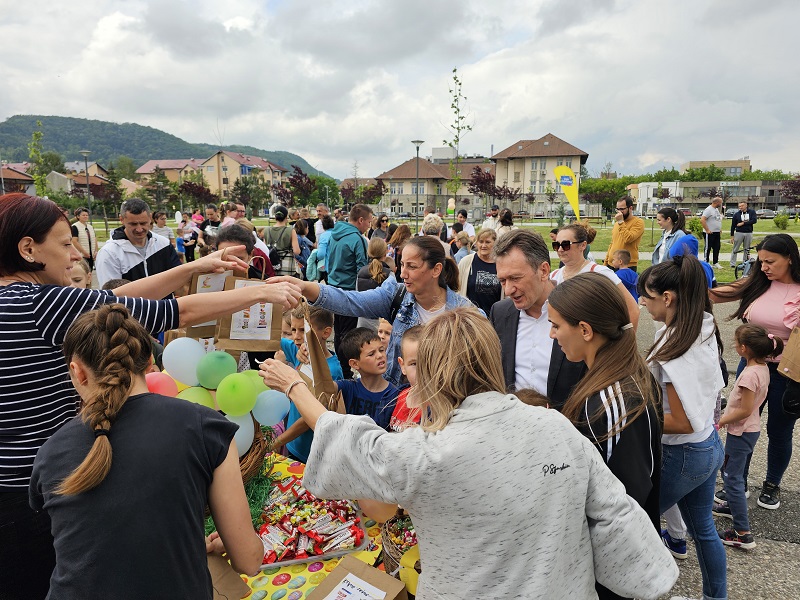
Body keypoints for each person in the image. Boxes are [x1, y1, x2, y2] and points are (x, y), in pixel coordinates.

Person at [258, 308, 679, 600]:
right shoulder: (556, 426)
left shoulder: (431, 452)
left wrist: (295, 386)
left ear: (437, 371)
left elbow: (348, 440)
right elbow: (616, 516)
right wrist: (650, 576)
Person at [0, 192, 301, 598]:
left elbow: (113, 305)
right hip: (42, 491)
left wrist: (194, 266)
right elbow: (175, 313)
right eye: (64, 243)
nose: (74, 256)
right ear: (28, 249)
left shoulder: (24, 303)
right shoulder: (41, 304)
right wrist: (260, 293)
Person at [29, 304, 264, 597]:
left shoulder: (50, 453)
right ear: (151, 361)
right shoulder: (205, 427)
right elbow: (249, 560)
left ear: (77, 372)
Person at [549, 274, 663, 600]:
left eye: (556, 325)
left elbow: (626, 491)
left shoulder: (610, 400)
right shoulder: (616, 372)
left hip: (611, 567)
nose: (551, 333)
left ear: (585, 330)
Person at [639, 255, 727, 600]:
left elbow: (679, 419)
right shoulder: (702, 325)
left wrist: (629, 423)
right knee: (704, 530)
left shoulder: (673, 349)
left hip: (683, 452)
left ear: (668, 297)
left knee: (636, 523)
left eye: (646, 295)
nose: (641, 302)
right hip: (708, 444)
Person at [275, 236, 474, 387]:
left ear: (436, 270)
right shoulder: (396, 296)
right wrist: (304, 287)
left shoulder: (467, 315)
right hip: (398, 406)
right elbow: (350, 301)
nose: (403, 274)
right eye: (402, 264)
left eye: (412, 267)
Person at [710, 233, 800, 510]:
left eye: (770, 262)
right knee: (740, 425)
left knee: (779, 430)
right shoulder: (758, 283)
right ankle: (738, 481)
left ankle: (772, 484)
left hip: (787, 374)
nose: (764, 268)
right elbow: (717, 294)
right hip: (751, 366)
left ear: (790, 258)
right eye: (760, 262)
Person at [490, 230, 587, 408]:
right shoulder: (499, 313)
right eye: (503, 281)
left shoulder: (578, 311)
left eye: (515, 278)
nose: (508, 290)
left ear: (543, 270)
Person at [712, 324, 781, 550]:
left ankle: (742, 532)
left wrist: (722, 420)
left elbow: (746, 409)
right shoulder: (762, 368)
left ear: (743, 349)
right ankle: (733, 506)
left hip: (741, 432)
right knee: (730, 471)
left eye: (735, 343)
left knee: (732, 479)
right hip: (749, 431)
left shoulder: (749, 376)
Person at [271, 306, 342, 463]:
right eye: (293, 330)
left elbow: (309, 418)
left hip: (311, 452)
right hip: (292, 443)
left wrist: (276, 442)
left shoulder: (331, 370)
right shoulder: (300, 352)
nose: (296, 337)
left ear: (326, 332)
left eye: (303, 330)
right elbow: (270, 336)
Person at [551, 223, 640, 329]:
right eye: (556, 245)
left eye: (565, 245)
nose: (560, 250)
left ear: (583, 245)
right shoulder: (553, 276)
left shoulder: (601, 273)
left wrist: (628, 342)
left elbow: (632, 309)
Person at [326, 203, 373, 377]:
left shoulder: (334, 234)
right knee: (347, 333)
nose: (369, 225)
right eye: (369, 221)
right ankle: (345, 371)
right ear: (361, 220)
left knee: (338, 331)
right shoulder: (356, 238)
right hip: (349, 290)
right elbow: (362, 270)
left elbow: (329, 260)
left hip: (333, 285)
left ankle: (339, 366)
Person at [95, 198, 182, 289]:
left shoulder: (163, 244)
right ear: (121, 219)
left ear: (150, 218)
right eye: (133, 224)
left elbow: (179, 280)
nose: (139, 229)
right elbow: (112, 296)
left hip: (165, 303)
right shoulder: (109, 254)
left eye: (143, 223)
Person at [458, 228, 503, 315]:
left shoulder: (501, 264)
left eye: (487, 242)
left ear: (495, 243)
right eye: (481, 241)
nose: (483, 245)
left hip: (495, 317)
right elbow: (457, 289)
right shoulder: (466, 262)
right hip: (471, 317)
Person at [388, 325, 423, 431]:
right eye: (414, 364)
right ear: (402, 366)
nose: (422, 370)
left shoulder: (441, 408)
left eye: (428, 362)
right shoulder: (392, 398)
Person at [357, 237, 393, 330]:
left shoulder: (361, 272)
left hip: (363, 319)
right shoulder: (389, 274)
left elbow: (357, 295)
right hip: (382, 322)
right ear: (385, 253)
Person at [604, 196, 644, 271]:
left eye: (622, 209)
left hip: (626, 266)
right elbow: (613, 243)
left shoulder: (638, 222)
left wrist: (620, 222)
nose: (619, 212)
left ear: (630, 208)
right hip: (612, 264)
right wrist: (606, 262)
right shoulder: (617, 224)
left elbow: (628, 238)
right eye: (617, 209)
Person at [264, 205, 300, 276]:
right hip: (287, 266)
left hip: (272, 265)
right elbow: (296, 251)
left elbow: (265, 249)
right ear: (286, 217)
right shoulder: (290, 230)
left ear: (275, 217)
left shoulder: (266, 230)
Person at [729, 200, 758, 268]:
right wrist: (732, 235)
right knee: (735, 248)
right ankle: (732, 263)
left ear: (746, 205)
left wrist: (743, 223)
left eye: (742, 206)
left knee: (746, 249)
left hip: (748, 232)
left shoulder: (751, 212)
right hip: (739, 233)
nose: (740, 207)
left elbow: (754, 220)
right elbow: (733, 225)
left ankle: (745, 262)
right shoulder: (737, 214)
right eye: (739, 206)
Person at [701, 196, 723, 268]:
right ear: (716, 202)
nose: (721, 204)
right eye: (720, 202)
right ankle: (706, 261)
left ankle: (715, 262)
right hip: (709, 232)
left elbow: (716, 219)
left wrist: (719, 228)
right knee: (708, 247)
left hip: (716, 232)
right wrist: (707, 230)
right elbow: (703, 220)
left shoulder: (716, 209)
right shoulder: (708, 209)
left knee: (717, 247)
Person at [314, 214, 336, 283]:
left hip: (329, 268)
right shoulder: (338, 234)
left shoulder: (323, 236)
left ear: (323, 226)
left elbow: (321, 254)